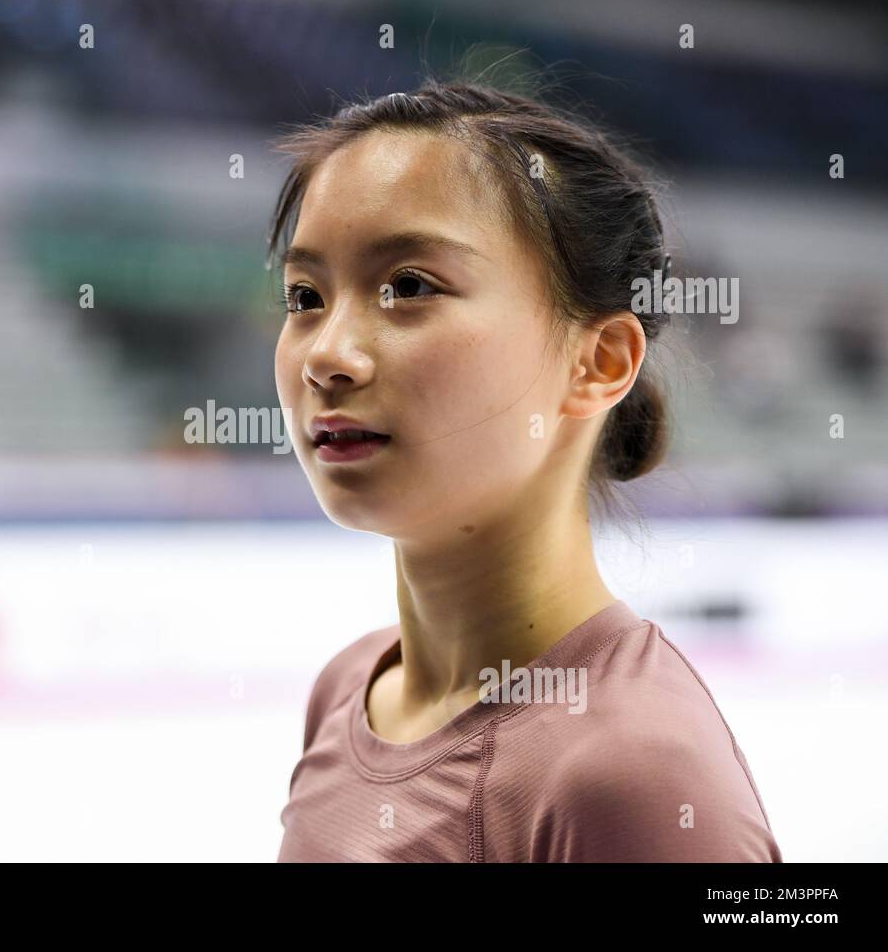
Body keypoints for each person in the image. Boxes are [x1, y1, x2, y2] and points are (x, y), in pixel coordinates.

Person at [269, 78, 781, 862]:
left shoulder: (631, 776)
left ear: (598, 363)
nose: (328, 356)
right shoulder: (347, 690)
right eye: (305, 295)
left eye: (409, 286)